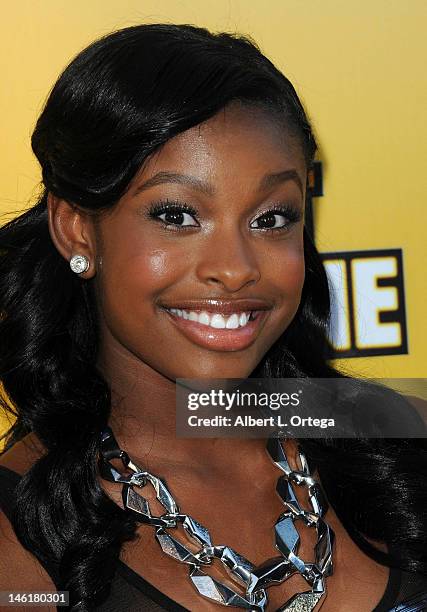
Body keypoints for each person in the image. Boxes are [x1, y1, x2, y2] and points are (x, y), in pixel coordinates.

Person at [0, 24, 426, 612]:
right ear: (77, 227)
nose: (234, 269)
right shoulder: (17, 544)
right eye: (177, 215)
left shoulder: (395, 441)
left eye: (272, 218)